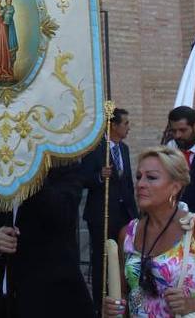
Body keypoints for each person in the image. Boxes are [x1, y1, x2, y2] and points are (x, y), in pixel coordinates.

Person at [101, 146, 195, 317]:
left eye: (151, 177)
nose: (140, 184)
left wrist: (192, 304)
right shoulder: (128, 233)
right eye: (139, 177)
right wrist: (114, 307)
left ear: (175, 187)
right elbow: (125, 294)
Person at [0, 163, 93, 318]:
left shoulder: (66, 166)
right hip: (3, 296)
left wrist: (31, 172)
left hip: (49, 298)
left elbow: (62, 216)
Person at [83, 107, 138, 302]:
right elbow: (82, 178)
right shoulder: (96, 148)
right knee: (103, 260)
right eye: (126, 124)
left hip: (124, 214)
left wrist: (135, 213)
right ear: (113, 126)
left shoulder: (124, 148)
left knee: (124, 258)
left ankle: (123, 298)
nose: (129, 128)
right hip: (102, 214)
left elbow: (128, 183)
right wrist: (99, 176)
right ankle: (101, 303)